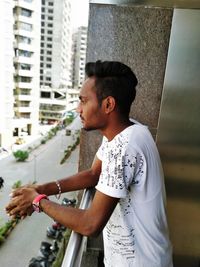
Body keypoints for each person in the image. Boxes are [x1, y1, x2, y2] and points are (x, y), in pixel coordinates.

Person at [6, 60, 173, 267]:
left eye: (83, 101)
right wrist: (42, 189)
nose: (78, 109)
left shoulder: (124, 148)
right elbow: (94, 173)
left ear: (108, 104)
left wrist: (38, 201)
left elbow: (90, 224)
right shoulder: (127, 133)